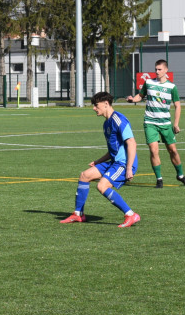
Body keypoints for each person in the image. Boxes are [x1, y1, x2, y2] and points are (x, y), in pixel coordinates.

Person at [61, 91, 142, 228]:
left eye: (95, 105)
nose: (93, 108)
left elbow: (132, 143)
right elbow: (113, 151)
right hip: (114, 162)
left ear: (106, 104)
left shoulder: (119, 120)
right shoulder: (106, 124)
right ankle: (78, 214)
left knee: (102, 186)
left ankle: (130, 214)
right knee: (85, 175)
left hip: (123, 163)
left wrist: (129, 168)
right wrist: (98, 161)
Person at [126, 59, 185, 188]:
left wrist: (176, 124)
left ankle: (180, 176)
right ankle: (159, 179)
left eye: (159, 69)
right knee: (153, 150)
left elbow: (178, 106)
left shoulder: (172, 87)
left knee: (173, 150)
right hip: (150, 122)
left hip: (166, 123)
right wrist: (132, 99)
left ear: (166, 70)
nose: (157, 71)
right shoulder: (149, 83)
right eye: (156, 69)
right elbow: (140, 96)